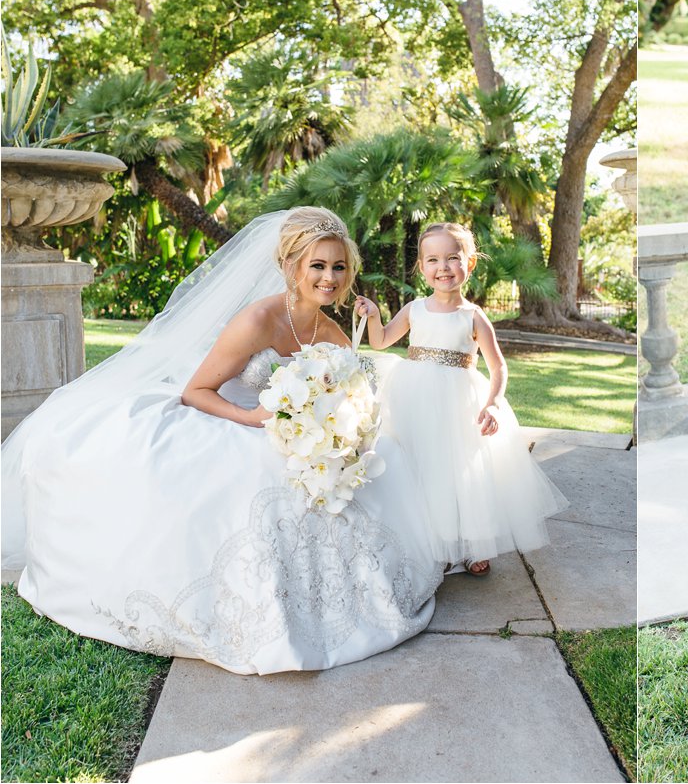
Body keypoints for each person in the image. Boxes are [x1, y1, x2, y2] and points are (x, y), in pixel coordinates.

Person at [1, 207, 444, 674]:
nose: (330, 277)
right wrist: (250, 418)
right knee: (249, 478)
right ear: (291, 265)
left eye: (338, 266)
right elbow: (196, 391)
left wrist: (339, 427)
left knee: (365, 471)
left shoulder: (334, 333)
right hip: (229, 413)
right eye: (318, 265)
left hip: (298, 434)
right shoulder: (256, 321)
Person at [355, 222, 568, 578]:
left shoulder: (473, 316)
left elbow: (498, 367)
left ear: (469, 265)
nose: (443, 267)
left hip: (458, 403)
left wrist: (493, 403)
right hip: (413, 397)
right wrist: (375, 315)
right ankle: (428, 543)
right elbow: (379, 342)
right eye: (433, 260)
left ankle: (470, 546)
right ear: (422, 268)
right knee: (419, 468)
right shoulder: (414, 309)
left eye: (452, 258)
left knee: (459, 474)